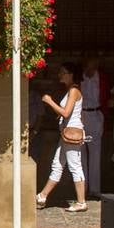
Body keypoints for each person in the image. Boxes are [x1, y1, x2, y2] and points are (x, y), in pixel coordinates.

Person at [37, 62, 88, 213]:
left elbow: (66, 113)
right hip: (66, 134)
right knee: (57, 164)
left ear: (71, 74)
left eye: (64, 72)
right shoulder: (70, 90)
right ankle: (42, 195)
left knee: (75, 166)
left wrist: (49, 101)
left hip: (71, 134)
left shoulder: (74, 90)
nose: (60, 75)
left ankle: (81, 202)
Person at [80, 57, 108, 198]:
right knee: (80, 153)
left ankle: (95, 189)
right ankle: (82, 188)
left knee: (95, 152)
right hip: (81, 114)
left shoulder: (101, 78)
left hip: (96, 113)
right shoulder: (80, 77)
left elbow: (105, 96)